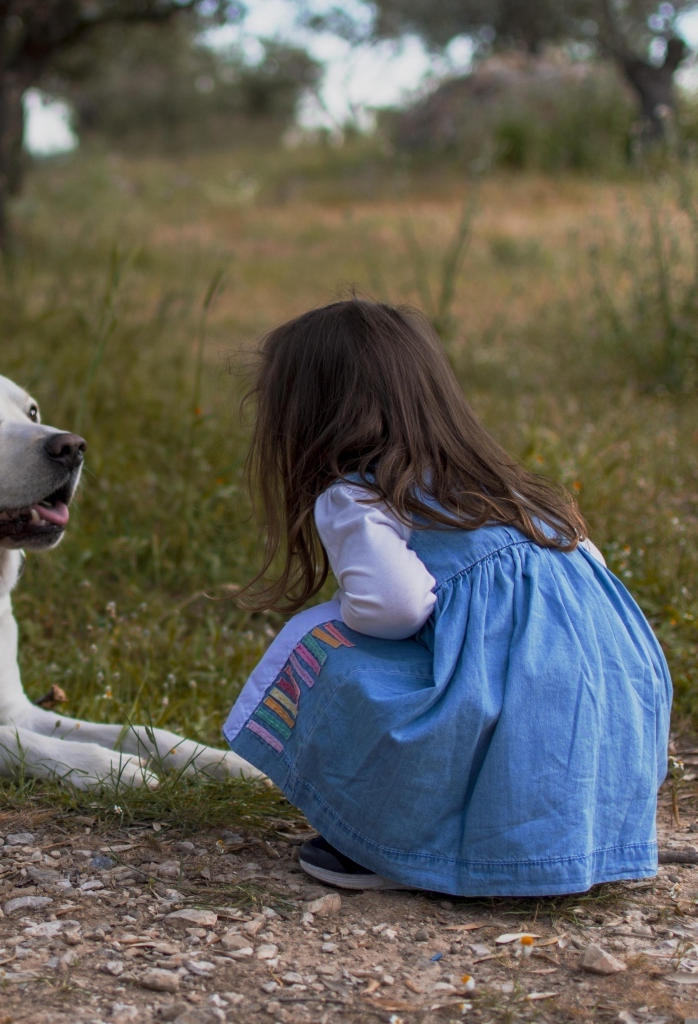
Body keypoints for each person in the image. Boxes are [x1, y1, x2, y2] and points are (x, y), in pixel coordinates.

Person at [223, 299, 671, 896]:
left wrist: (345, 616)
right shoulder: (508, 490)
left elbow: (396, 606)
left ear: (310, 417)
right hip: (612, 716)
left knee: (322, 643)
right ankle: (570, 837)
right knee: (508, 678)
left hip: (515, 717)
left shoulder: (359, 496)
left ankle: (394, 842)